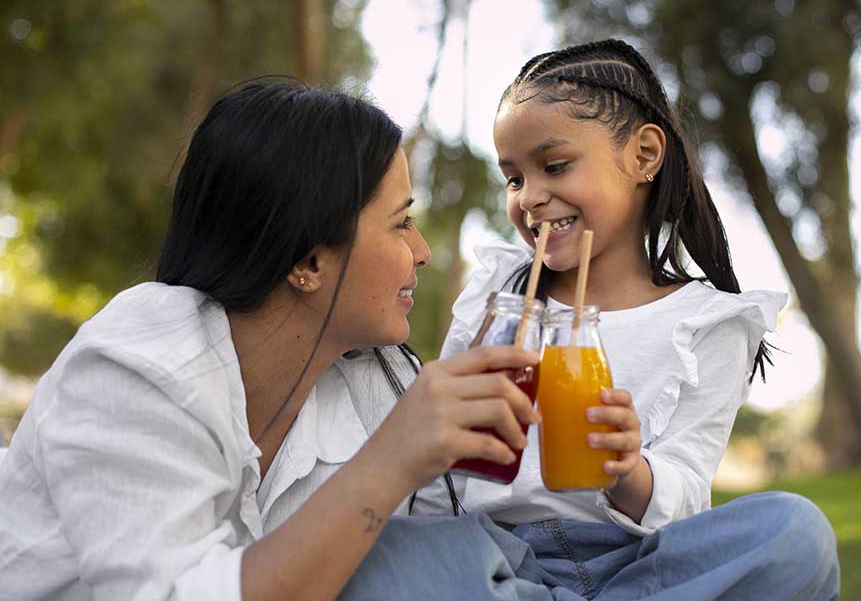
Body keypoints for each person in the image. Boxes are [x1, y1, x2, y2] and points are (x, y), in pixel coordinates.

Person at [0, 80, 542, 601]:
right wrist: (389, 460)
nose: (422, 251)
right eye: (401, 224)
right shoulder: (136, 367)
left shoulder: (370, 378)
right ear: (308, 260)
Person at [438, 39, 840, 599]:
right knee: (400, 546)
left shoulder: (708, 323)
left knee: (795, 532)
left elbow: (687, 492)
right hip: (492, 558)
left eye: (554, 166)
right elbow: (441, 467)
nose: (528, 197)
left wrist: (629, 470)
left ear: (644, 156)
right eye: (513, 178)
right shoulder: (498, 294)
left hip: (640, 568)